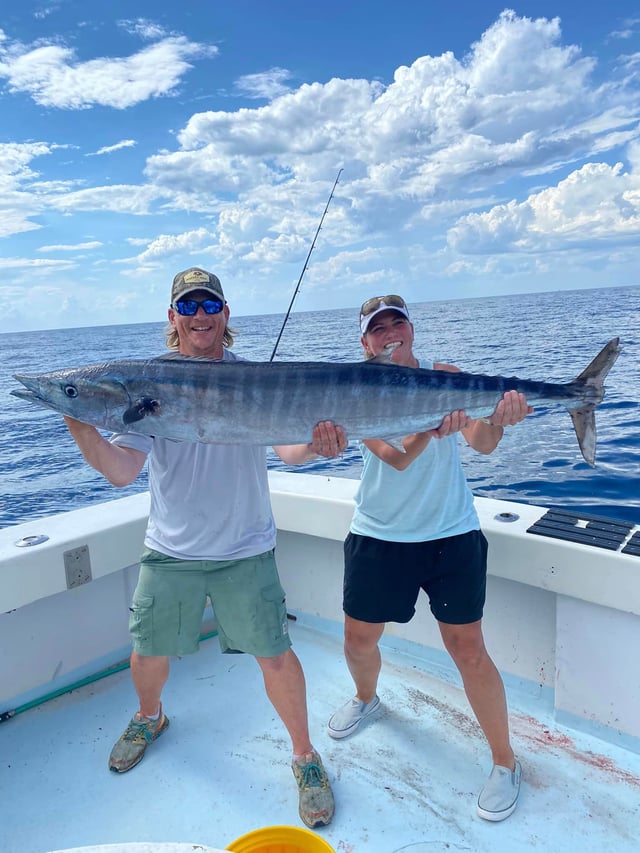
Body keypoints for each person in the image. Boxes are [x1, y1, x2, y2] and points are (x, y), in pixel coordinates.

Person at [63, 266, 347, 830]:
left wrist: (319, 446)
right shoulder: (148, 383)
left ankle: (304, 755)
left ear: (225, 315)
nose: (200, 315)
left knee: (275, 656)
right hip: (171, 549)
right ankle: (150, 716)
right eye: (189, 306)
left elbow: (290, 451)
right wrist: (81, 425)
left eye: (210, 305)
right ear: (173, 317)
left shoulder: (254, 379)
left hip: (246, 547)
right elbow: (122, 470)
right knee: (147, 653)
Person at [327, 294, 532, 822]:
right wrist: (433, 426)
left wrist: (500, 417)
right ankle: (367, 698)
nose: (390, 332)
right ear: (364, 343)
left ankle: (505, 761)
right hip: (379, 533)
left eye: (397, 322)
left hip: (450, 532)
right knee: (358, 638)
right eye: (378, 328)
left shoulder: (446, 376)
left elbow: (483, 442)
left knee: (468, 649)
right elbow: (394, 458)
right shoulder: (354, 389)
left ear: (412, 329)